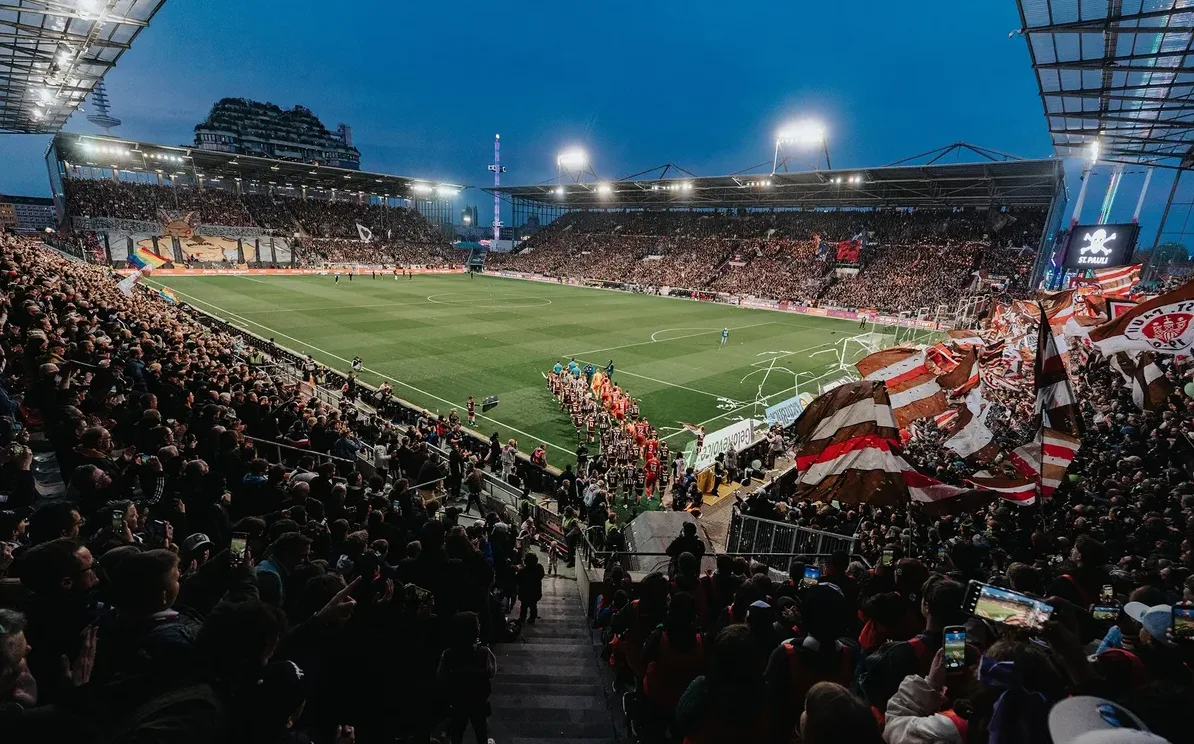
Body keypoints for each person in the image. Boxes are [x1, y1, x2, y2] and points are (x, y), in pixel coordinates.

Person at [436, 611, 497, 744]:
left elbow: (441, 676)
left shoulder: (448, 654)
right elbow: (491, 672)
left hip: (457, 700)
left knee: (457, 730)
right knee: (481, 729)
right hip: (479, 699)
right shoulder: (484, 653)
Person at [516, 552, 545, 624]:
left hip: (524, 593)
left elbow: (518, 580)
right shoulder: (538, 569)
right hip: (535, 592)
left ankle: (522, 618)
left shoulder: (522, 571)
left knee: (523, 606)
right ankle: (532, 617)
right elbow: (541, 575)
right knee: (533, 605)